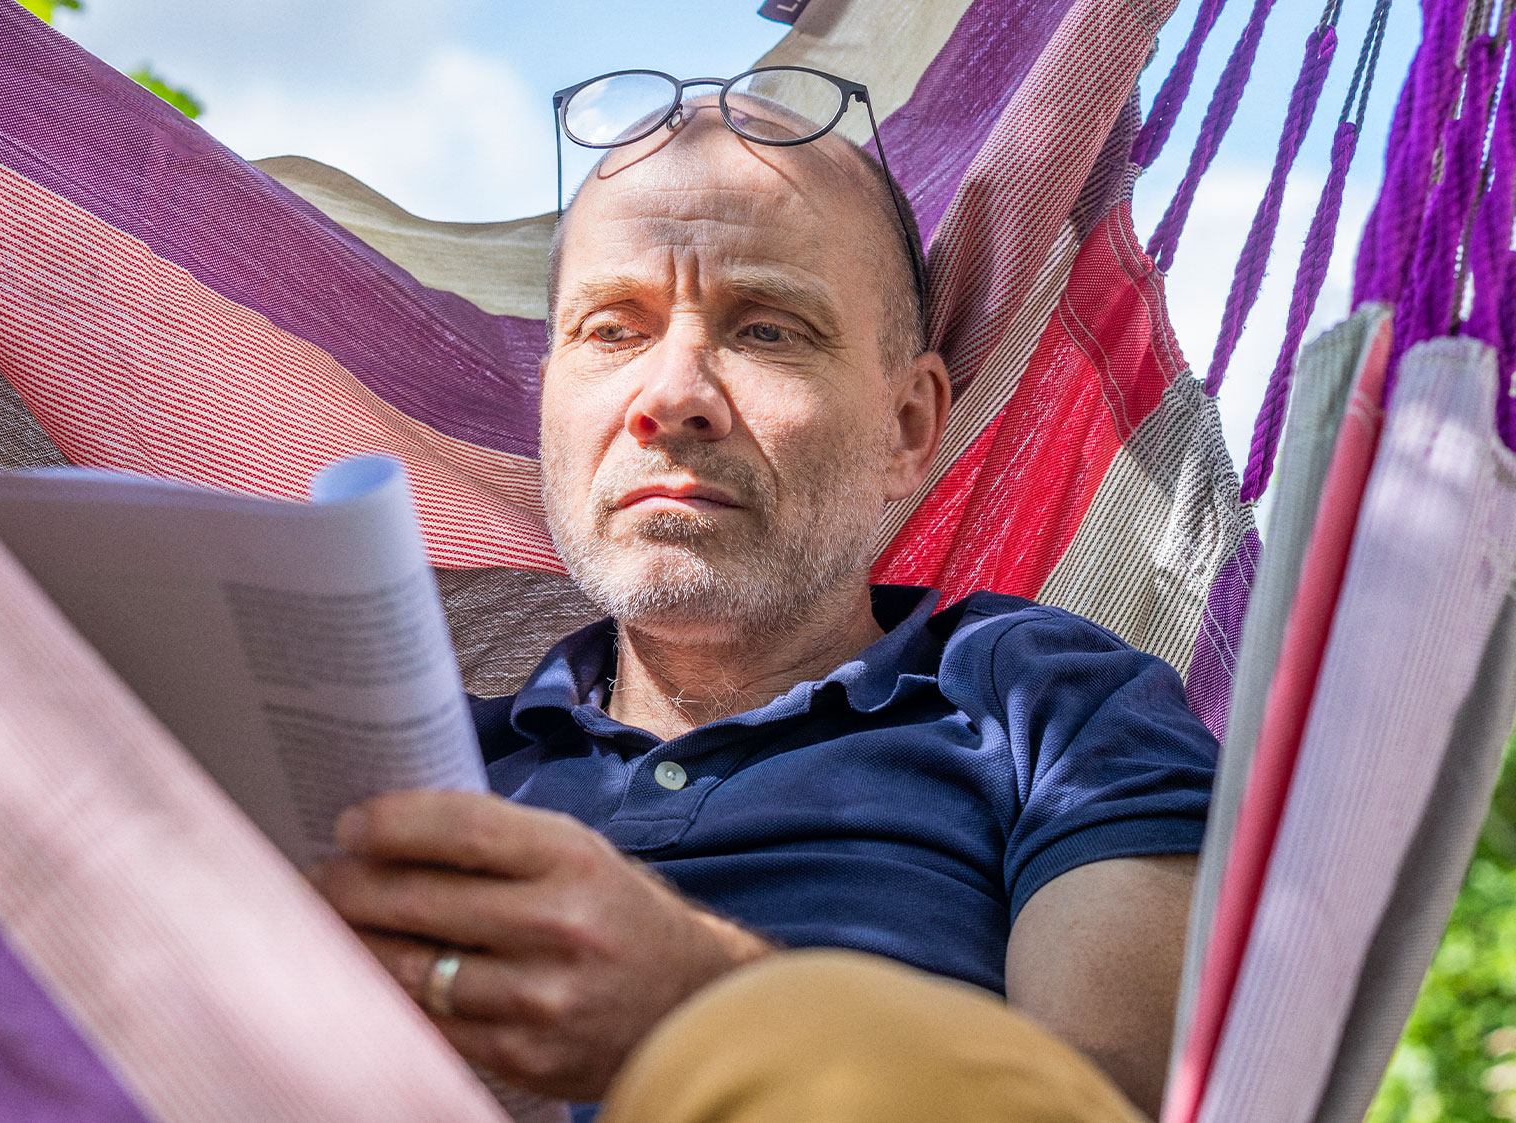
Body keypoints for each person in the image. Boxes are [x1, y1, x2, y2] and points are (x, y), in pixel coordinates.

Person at [313, 70, 1215, 1120]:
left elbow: (1112, 1106)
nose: (671, 398)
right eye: (611, 330)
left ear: (907, 429)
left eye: (766, 329)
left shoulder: (1047, 709)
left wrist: (694, 1006)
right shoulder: (413, 761)